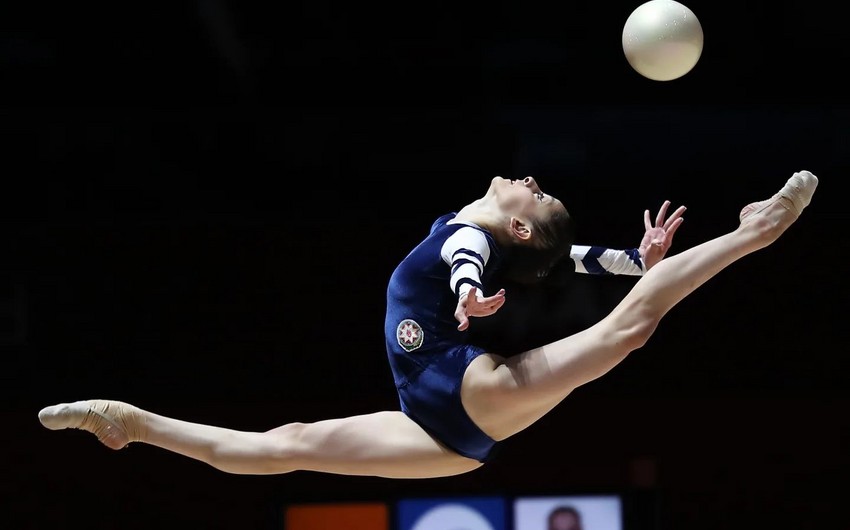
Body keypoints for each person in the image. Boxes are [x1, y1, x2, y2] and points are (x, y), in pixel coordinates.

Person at [38, 171, 818, 480]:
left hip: (461, 389)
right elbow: (565, 258)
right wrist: (631, 259)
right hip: (434, 428)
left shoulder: (470, 240)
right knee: (286, 445)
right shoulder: (475, 232)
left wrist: (471, 292)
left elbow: (469, 260)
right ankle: (134, 423)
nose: (532, 180)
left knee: (624, 333)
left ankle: (754, 232)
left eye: (537, 196)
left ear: (517, 227)